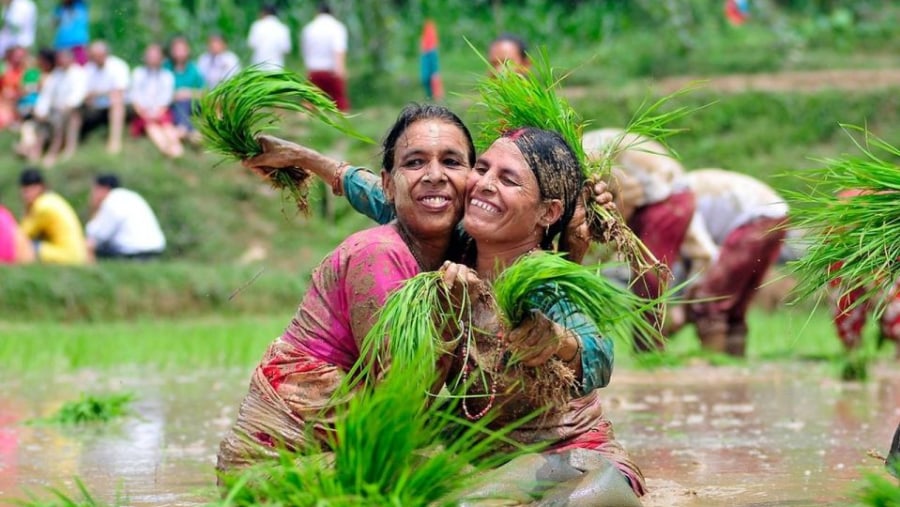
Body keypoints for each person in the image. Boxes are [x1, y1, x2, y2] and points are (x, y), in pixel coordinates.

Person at [239, 127, 644, 504]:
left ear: (548, 212)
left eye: (508, 179)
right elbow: (386, 197)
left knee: (595, 492)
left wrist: (559, 341)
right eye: (482, 169)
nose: (484, 184)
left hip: (562, 454)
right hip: (482, 452)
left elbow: (598, 353)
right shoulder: (458, 247)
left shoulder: (543, 284)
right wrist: (303, 157)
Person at [217, 104, 475, 476]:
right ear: (389, 183)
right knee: (463, 475)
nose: (435, 175)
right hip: (276, 470)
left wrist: (303, 157)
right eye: (415, 163)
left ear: (475, 180)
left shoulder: (459, 248)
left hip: (345, 444)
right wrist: (449, 316)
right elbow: (401, 405)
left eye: (452, 162)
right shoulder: (379, 256)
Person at [583, 127, 696, 350]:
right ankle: (649, 349)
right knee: (646, 280)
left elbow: (628, 191)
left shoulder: (584, 156)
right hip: (658, 194)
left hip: (666, 196)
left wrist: (612, 236)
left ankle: (649, 351)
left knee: (648, 278)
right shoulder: (583, 152)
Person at [676, 169, 788, 356]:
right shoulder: (678, 191)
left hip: (756, 218)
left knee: (709, 300)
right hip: (779, 215)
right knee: (735, 304)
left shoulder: (677, 201)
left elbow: (706, 255)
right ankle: (733, 360)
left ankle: (713, 362)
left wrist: (691, 299)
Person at [827, 189, 900, 360]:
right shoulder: (852, 205)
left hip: (873, 248)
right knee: (847, 301)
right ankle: (853, 355)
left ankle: (854, 352)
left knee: (890, 300)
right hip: (850, 249)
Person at [85, 173, 166, 261]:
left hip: (134, 252)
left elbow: (99, 235)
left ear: (103, 188)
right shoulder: (130, 196)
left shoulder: (111, 201)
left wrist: (94, 209)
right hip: (155, 249)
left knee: (89, 247)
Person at [27, 48, 87, 165]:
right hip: (56, 108)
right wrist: (41, 110)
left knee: (59, 119)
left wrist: (66, 106)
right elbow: (46, 95)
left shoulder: (79, 73)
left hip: (72, 108)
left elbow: (78, 95)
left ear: (71, 59)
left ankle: (55, 151)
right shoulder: (56, 74)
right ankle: (37, 149)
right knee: (41, 120)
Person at [18, 168, 86, 265]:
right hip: (78, 255)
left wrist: (27, 211)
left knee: (26, 247)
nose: (27, 196)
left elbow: (22, 235)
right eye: (25, 192)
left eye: (29, 191)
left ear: (40, 187)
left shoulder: (42, 206)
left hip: (68, 257)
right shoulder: (52, 199)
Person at [130, 43, 183, 158]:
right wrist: (144, 113)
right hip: (143, 113)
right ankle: (165, 148)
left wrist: (158, 113)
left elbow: (166, 99)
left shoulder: (167, 76)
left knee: (167, 126)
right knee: (152, 127)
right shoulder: (138, 73)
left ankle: (176, 148)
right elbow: (134, 98)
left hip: (161, 112)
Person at [78, 40, 129, 154]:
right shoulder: (88, 69)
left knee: (116, 101)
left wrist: (98, 93)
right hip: (95, 106)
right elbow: (85, 93)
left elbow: (119, 91)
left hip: (117, 104)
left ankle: (115, 141)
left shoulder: (118, 66)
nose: (96, 58)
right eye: (94, 56)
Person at [301, 3, 349, 111]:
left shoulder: (309, 28)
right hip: (332, 71)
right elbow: (339, 50)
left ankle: (303, 125)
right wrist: (341, 70)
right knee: (339, 103)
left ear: (317, 12)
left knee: (309, 102)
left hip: (314, 71)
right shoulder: (337, 27)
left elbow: (305, 51)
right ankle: (343, 125)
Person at [164, 35, 204, 141]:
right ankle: (191, 131)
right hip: (171, 104)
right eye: (177, 49)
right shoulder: (166, 67)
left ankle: (183, 128)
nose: (179, 53)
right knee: (181, 103)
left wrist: (187, 92)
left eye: (182, 49)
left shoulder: (193, 69)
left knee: (185, 102)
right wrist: (175, 95)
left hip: (192, 104)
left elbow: (204, 92)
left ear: (188, 50)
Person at [247, 3, 291, 71]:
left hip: (258, 67)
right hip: (276, 68)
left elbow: (251, 44)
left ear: (263, 12)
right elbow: (286, 49)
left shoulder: (257, 26)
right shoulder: (282, 28)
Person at [53, 0, 89, 65]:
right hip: (62, 45)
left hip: (78, 44)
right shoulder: (60, 8)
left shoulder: (80, 5)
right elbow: (54, 24)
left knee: (80, 68)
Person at [0, 45, 27, 128]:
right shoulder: (3, 68)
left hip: (17, 103)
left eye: (21, 56)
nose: (18, 58)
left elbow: (27, 89)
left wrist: (16, 94)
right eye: (16, 56)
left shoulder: (25, 71)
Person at [419, 19, 443, 101]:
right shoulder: (423, 40)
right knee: (425, 79)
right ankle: (429, 96)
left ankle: (434, 96)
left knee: (433, 80)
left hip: (431, 61)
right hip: (426, 62)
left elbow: (434, 63)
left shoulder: (433, 47)